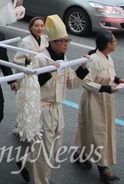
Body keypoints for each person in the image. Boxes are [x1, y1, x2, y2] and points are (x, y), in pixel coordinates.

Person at [18, 15, 90, 184]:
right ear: (52, 42)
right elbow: (28, 82)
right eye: (62, 41)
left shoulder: (63, 59)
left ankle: (27, 163)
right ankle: (43, 180)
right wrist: (50, 71)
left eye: (67, 41)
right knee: (45, 148)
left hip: (57, 107)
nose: (66, 44)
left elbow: (71, 82)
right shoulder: (41, 59)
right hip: (43, 107)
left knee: (55, 147)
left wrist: (82, 68)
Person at [74, 31, 122, 182]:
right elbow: (86, 82)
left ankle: (80, 153)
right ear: (108, 44)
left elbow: (110, 76)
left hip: (105, 101)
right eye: (114, 40)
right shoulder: (94, 60)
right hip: (93, 100)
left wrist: (118, 80)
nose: (116, 42)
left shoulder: (108, 58)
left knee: (89, 128)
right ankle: (103, 168)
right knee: (99, 132)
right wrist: (105, 88)